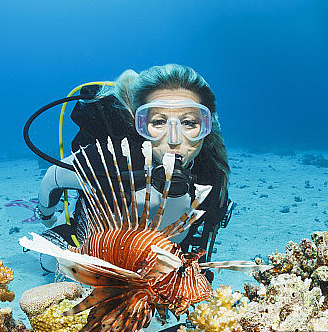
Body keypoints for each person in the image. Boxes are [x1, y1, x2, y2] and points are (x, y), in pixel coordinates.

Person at [35, 63, 234, 263]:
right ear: (139, 123)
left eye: (189, 123)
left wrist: (176, 196)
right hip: (94, 236)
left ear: (206, 125)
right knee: (50, 264)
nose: (174, 139)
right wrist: (47, 216)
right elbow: (53, 177)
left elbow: (182, 242)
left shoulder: (211, 174)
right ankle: (65, 215)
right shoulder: (111, 158)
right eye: (158, 122)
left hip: (150, 257)